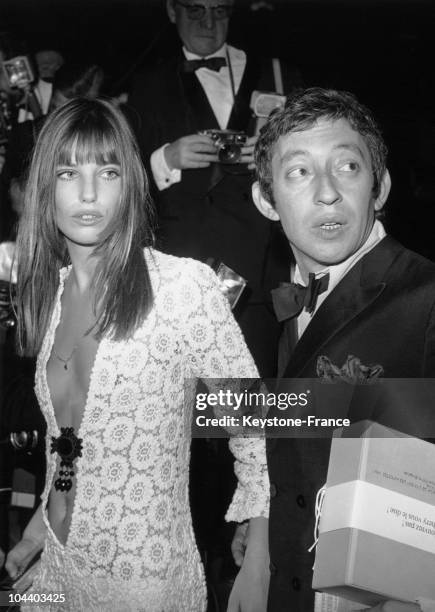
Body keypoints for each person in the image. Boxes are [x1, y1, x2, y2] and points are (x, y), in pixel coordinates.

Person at [5, 97, 269, 611]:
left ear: (129, 183)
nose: (87, 192)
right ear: (44, 187)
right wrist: (35, 536)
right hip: (58, 568)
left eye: (107, 171)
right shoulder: (52, 297)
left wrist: (258, 556)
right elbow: (72, 447)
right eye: (67, 172)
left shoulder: (182, 286)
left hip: (144, 583)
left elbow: (255, 424)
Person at [231, 87, 435, 612]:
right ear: (266, 199)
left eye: (347, 166)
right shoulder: (284, 306)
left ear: (380, 186)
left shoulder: (425, 297)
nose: (326, 192)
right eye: (298, 171)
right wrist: (264, 545)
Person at [128, 0, 300, 377]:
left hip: (259, 268)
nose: (208, 22)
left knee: (253, 400)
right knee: (189, 401)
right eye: (195, 10)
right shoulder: (147, 83)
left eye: (219, 10)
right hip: (183, 268)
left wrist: (279, 158)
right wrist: (166, 158)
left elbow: (314, 156)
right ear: (172, 10)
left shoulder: (278, 74)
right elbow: (126, 176)